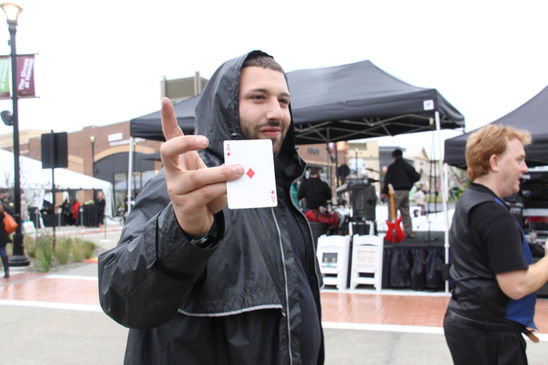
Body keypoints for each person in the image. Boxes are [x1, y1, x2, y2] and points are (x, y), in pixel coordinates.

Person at [98, 51, 324, 364]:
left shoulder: (281, 193)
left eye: (283, 101)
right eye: (258, 97)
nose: (276, 112)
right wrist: (182, 231)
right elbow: (121, 295)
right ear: (227, 108)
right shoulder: (189, 185)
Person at [443, 125, 548, 365]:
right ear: (494, 162)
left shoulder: (470, 200)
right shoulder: (492, 213)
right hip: (488, 332)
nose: (525, 168)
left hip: (468, 322)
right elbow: (517, 286)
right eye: (519, 160)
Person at [381, 148, 420, 238]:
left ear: (394, 156)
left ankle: (393, 232)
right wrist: (410, 183)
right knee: (406, 213)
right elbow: (417, 177)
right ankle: (409, 232)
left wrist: (384, 192)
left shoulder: (392, 167)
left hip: (395, 192)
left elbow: (387, 180)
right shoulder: (408, 166)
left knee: (393, 212)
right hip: (406, 191)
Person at [0, 204, 11, 278]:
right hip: (2, 236)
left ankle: (6, 270)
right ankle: (6, 270)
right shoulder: (3, 214)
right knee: (3, 252)